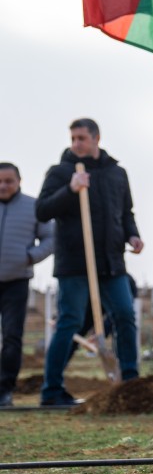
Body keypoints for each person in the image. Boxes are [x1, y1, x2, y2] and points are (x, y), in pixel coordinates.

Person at [37, 119, 144, 405]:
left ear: (96, 138)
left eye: (81, 138)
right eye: (72, 138)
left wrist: (133, 235)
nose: (76, 144)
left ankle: (130, 383)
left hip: (111, 261)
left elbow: (126, 212)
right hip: (74, 261)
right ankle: (52, 390)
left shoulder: (116, 173)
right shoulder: (60, 172)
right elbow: (43, 210)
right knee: (69, 321)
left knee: (124, 314)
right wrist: (70, 189)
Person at [0, 163, 55, 407]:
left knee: (12, 336)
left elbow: (51, 237)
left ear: (19, 181)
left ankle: (4, 389)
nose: (3, 185)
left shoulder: (34, 207)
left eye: (9, 181)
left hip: (17, 282)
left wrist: (31, 257)